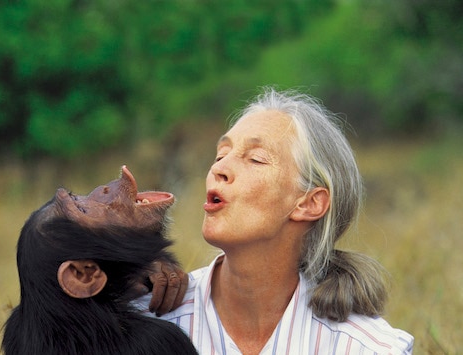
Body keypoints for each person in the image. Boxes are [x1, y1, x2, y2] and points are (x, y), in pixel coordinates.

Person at [142, 88, 414, 354]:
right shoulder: (144, 322)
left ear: (309, 203)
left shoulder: (366, 347)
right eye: (221, 155)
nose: (218, 169)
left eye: (256, 159)